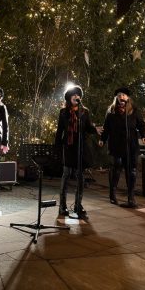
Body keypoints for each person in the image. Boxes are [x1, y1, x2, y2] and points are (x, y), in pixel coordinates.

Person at [98, 87, 145, 208]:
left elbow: (141, 124)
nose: (122, 97)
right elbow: (106, 127)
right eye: (119, 95)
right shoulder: (111, 111)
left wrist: (144, 135)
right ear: (116, 98)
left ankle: (131, 197)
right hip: (116, 144)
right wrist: (102, 139)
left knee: (132, 171)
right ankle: (112, 194)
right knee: (116, 168)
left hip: (131, 145)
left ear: (128, 98)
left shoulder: (134, 110)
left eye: (124, 95)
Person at [55, 85, 96, 219]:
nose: (76, 97)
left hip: (81, 148)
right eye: (73, 95)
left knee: (80, 177)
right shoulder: (63, 112)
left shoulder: (84, 112)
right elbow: (59, 131)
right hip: (68, 147)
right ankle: (62, 206)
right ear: (69, 97)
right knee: (66, 175)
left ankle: (78, 205)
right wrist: (57, 147)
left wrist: (96, 130)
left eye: (78, 95)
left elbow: (88, 128)